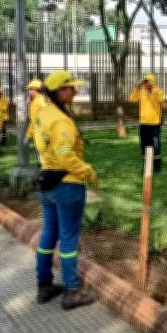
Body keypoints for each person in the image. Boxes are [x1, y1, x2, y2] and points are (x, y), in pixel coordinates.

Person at [34, 70, 99, 310]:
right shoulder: (61, 120)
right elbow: (65, 157)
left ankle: (44, 285)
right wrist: (88, 172)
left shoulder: (44, 113)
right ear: (60, 90)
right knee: (69, 239)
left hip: (47, 183)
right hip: (67, 185)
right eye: (72, 87)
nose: (75, 91)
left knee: (49, 234)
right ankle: (72, 289)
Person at [129, 73, 165, 173]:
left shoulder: (158, 91)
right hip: (143, 123)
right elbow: (132, 99)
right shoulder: (141, 91)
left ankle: (157, 167)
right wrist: (137, 87)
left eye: (149, 81)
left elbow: (161, 100)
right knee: (144, 145)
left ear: (153, 82)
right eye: (145, 81)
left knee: (155, 145)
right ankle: (146, 166)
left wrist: (153, 89)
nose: (147, 83)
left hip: (155, 123)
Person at [24, 79, 46, 162]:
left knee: (43, 161)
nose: (29, 92)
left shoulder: (37, 102)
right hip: (45, 134)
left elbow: (34, 122)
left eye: (30, 89)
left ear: (34, 90)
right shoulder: (43, 99)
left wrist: (27, 136)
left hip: (40, 135)